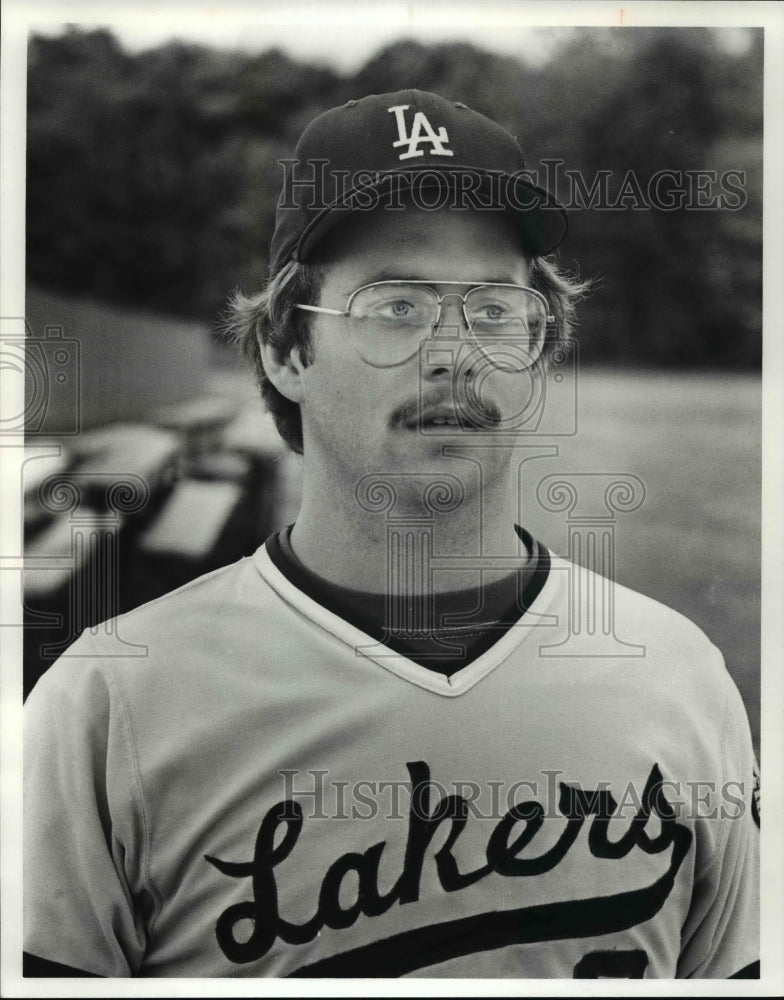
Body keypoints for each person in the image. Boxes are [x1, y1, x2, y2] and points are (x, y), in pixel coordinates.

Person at [24, 89, 759, 979]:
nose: (455, 351)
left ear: (539, 346)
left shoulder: (677, 676)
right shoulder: (110, 705)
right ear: (287, 352)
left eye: (494, 309)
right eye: (397, 307)